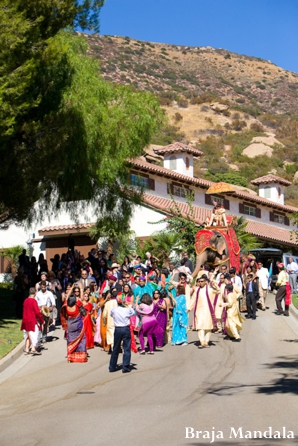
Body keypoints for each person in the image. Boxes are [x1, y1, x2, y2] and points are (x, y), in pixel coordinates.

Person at [189, 274, 219, 348]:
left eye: (202, 281)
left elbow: (219, 291)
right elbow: (193, 299)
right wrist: (189, 308)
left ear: (206, 282)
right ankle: (202, 342)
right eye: (199, 281)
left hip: (208, 311)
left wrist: (215, 285)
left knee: (208, 327)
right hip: (199, 311)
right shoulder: (197, 290)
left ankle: (206, 342)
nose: (200, 283)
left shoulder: (210, 289)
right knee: (200, 326)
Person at [109, 295, 135, 373]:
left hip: (117, 329)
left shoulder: (114, 310)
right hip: (125, 329)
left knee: (116, 348)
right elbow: (133, 313)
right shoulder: (126, 310)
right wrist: (129, 306)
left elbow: (111, 315)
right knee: (126, 348)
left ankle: (112, 366)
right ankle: (125, 367)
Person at [60, 295, 88, 363]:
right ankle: (81, 357)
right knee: (81, 339)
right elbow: (84, 313)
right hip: (78, 325)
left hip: (70, 325)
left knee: (71, 340)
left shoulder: (66, 306)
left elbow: (64, 313)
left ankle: (70, 357)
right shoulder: (77, 305)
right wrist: (79, 302)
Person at [21, 287, 44, 355]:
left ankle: (27, 349)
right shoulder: (34, 301)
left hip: (25, 320)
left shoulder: (25, 300)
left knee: (28, 335)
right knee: (35, 334)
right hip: (32, 320)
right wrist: (42, 320)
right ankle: (33, 349)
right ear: (35, 293)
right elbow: (37, 312)